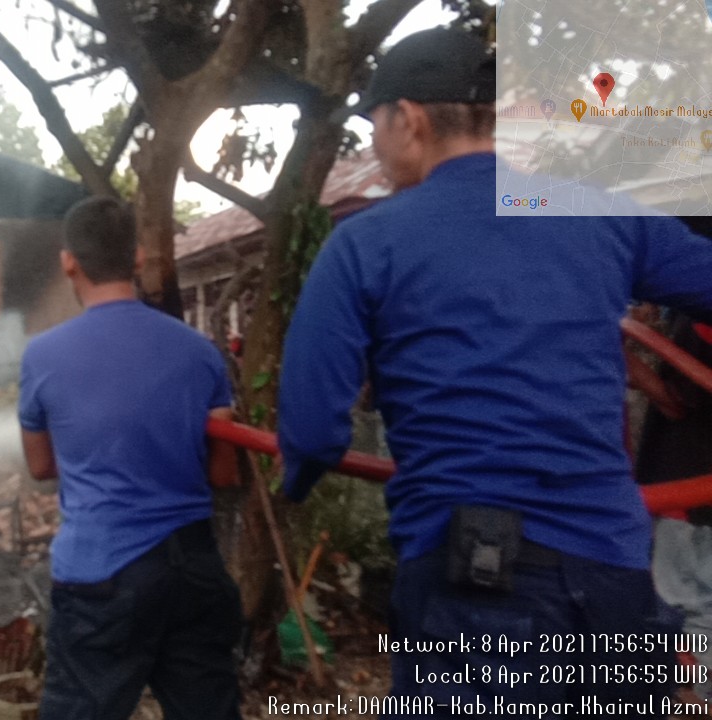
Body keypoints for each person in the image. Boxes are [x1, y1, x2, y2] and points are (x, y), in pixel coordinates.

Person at [275, 27, 712, 717]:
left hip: (476, 585)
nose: (375, 148)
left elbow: (311, 431)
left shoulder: (366, 242)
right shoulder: (587, 211)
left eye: (375, 126)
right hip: (614, 580)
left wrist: (296, 480)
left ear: (408, 119)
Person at [18, 196, 243, 720]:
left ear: (69, 262)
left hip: (101, 575)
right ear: (138, 257)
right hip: (192, 569)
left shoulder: (42, 355)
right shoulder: (200, 351)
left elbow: (41, 466)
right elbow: (223, 472)